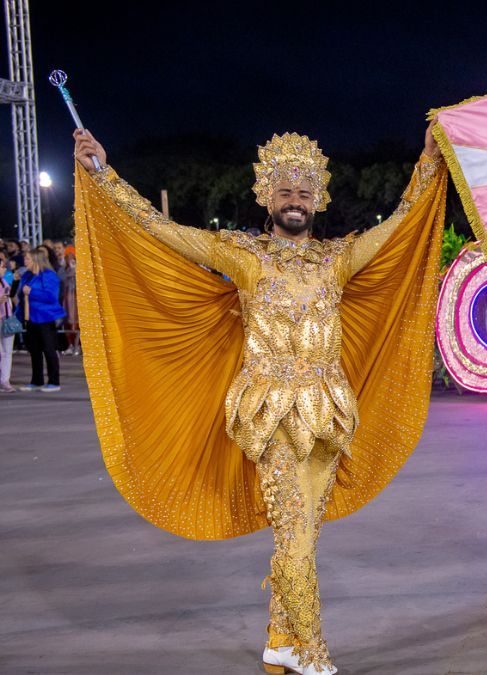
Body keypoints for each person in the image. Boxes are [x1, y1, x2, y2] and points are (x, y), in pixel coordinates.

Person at [73, 125, 447, 675]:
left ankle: (280, 640)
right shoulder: (244, 254)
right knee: (295, 529)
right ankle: (314, 652)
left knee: (303, 534)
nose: (294, 201)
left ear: (317, 198)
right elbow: (158, 228)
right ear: (266, 196)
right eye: (284, 191)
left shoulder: (336, 259)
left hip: (328, 410)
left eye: (303, 192)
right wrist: (102, 174)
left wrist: (429, 164)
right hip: (269, 412)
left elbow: (398, 227)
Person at [17, 247, 65, 392]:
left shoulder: (49, 275)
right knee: (34, 350)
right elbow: (20, 295)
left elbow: (51, 297)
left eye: (27, 259)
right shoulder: (27, 275)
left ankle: (54, 381)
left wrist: (32, 292)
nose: (24, 261)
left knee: (49, 349)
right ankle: (37, 380)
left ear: (36, 260)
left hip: (45, 317)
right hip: (30, 317)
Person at [0, 254, 15, 393]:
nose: (4, 269)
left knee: (7, 351)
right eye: (2, 266)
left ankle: (5, 380)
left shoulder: (4, 281)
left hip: (7, 319)